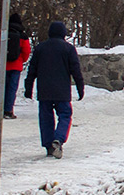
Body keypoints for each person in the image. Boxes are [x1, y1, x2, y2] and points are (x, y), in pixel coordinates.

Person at [24, 21, 85, 159]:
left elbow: (32, 70)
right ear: (63, 33)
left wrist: (29, 88)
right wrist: (80, 88)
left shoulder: (40, 48)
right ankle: (59, 139)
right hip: (62, 90)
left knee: (45, 117)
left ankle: (48, 145)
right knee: (65, 114)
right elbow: (75, 70)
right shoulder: (68, 49)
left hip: (44, 90)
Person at [0, 12, 32, 119]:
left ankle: (2, 109)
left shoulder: (1, 34)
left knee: (3, 87)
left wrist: (0, 59)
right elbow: (27, 51)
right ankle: (8, 110)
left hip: (4, 65)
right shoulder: (22, 35)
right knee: (12, 88)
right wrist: (22, 60)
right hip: (16, 65)